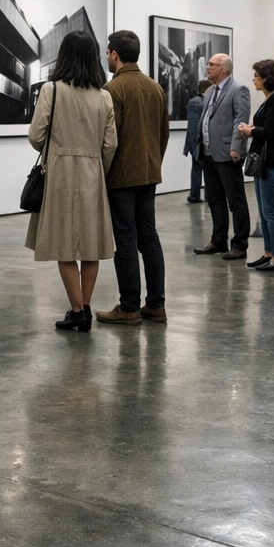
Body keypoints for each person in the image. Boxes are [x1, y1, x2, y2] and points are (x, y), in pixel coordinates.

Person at [26, 29, 118, 333]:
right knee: (90, 246)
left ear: (64, 56)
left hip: (60, 175)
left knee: (63, 245)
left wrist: (57, 152)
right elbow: (110, 145)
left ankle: (78, 311)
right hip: (93, 174)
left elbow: (36, 136)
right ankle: (85, 306)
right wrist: (96, 166)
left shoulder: (52, 90)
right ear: (93, 58)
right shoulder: (104, 96)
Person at [97, 30, 171, 325]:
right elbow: (163, 134)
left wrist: (102, 173)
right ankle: (156, 305)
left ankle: (129, 307)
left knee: (125, 239)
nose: (106, 57)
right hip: (149, 173)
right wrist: (153, 162)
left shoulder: (112, 90)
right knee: (148, 236)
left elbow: (108, 139)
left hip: (121, 176)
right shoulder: (155, 88)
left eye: (107, 52)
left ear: (114, 54)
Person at [193, 53, 253, 260]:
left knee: (235, 200)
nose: (207, 67)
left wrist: (236, 147)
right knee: (214, 199)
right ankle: (218, 241)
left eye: (212, 65)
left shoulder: (239, 90)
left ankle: (239, 245)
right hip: (208, 153)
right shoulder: (210, 91)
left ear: (224, 69)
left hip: (228, 154)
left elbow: (241, 119)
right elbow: (207, 117)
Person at [238, 59, 274, 273]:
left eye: (257, 77)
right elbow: (267, 128)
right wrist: (253, 128)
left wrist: (250, 131)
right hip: (264, 162)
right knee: (263, 209)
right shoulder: (270, 100)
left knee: (270, 210)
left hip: (271, 162)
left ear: (267, 78)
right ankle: (269, 253)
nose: (254, 80)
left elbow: (268, 131)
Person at [184, 79, 211, 203]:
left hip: (193, 141)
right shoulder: (203, 102)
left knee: (196, 168)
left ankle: (194, 195)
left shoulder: (192, 102)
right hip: (201, 142)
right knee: (207, 168)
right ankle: (207, 195)